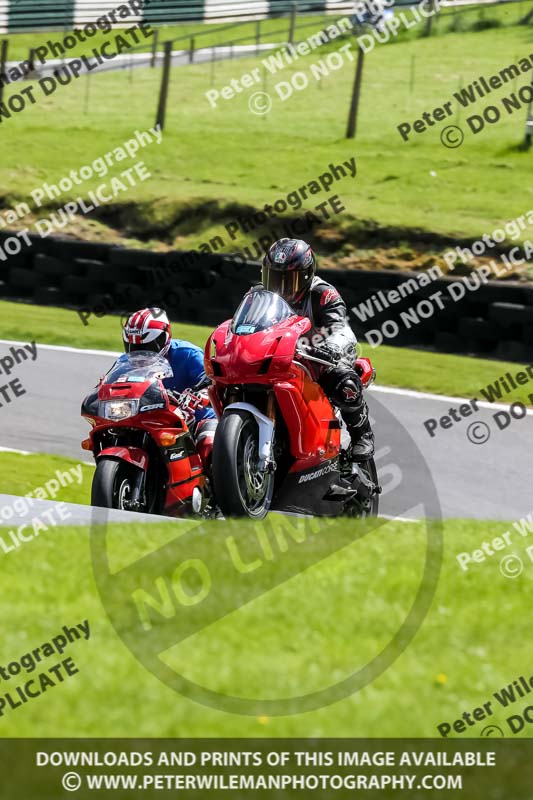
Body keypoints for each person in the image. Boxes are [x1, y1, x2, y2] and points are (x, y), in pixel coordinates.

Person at [261, 238, 374, 461]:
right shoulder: (258, 296)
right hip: (276, 358)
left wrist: (331, 347)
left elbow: (339, 327)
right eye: (274, 278)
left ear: (306, 275)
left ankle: (362, 435)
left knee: (344, 381)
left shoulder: (322, 294)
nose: (280, 288)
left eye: (288, 280)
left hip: (316, 358)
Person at [121, 307, 216, 462]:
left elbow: (211, 380)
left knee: (208, 445)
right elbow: (113, 382)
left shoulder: (188, 354)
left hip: (196, 419)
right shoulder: (124, 361)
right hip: (149, 420)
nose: (139, 353)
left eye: (147, 347)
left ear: (163, 339)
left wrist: (201, 394)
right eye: (133, 347)